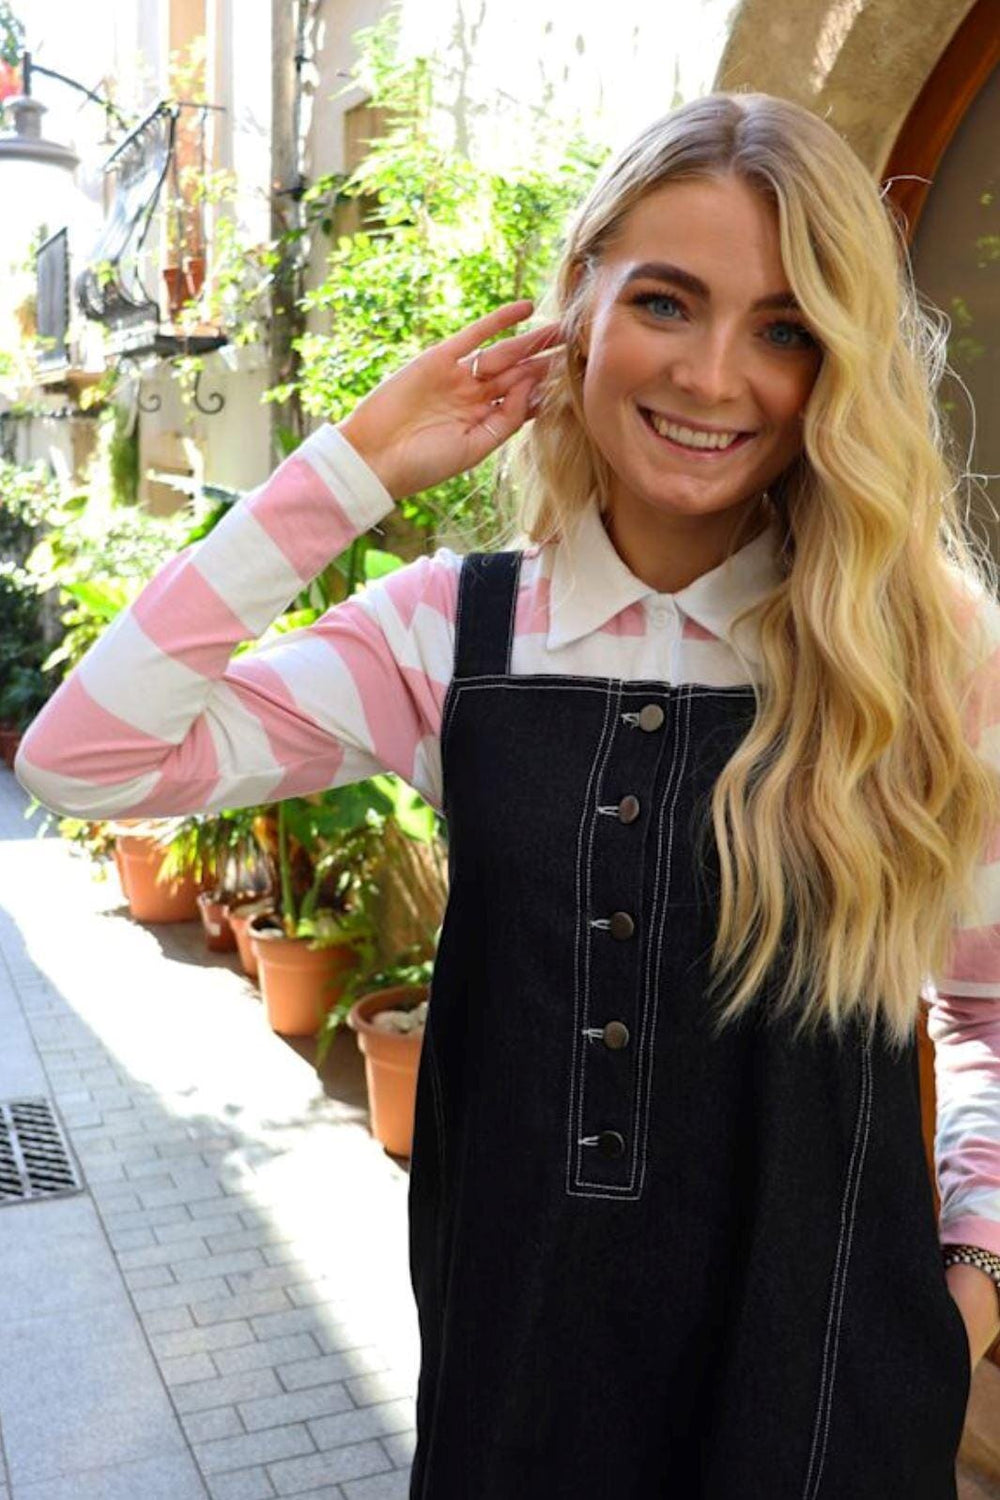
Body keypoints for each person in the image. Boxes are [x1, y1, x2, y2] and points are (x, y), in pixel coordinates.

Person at [14, 89, 1000, 1497]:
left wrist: (972, 1276)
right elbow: (83, 758)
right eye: (666, 301)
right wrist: (352, 469)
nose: (715, 375)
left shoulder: (925, 649)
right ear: (580, 303)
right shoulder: (451, 636)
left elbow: (986, 1006)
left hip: (829, 1414)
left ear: (837, 365)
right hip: (519, 1396)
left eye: (784, 329)